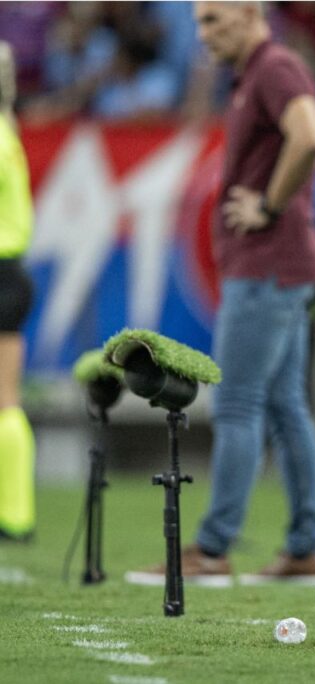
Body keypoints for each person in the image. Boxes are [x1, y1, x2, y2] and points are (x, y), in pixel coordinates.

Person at [128, 1, 315, 586]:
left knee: (239, 404)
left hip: (268, 268)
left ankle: (213, 548)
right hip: (286, 268)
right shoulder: (256, 74)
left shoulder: (273, 67)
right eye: (198, 20)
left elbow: (311, 137)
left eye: (214, 18)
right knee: (286, 407)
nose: (202, 32)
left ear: (249, 12)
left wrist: (267, 203)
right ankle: (303, 548)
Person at [0, 41, 37, 542]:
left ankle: (15, 513)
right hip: (9, 274)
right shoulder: (8, 129)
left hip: (2, 273)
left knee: (4, 399)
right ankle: (15, 510)